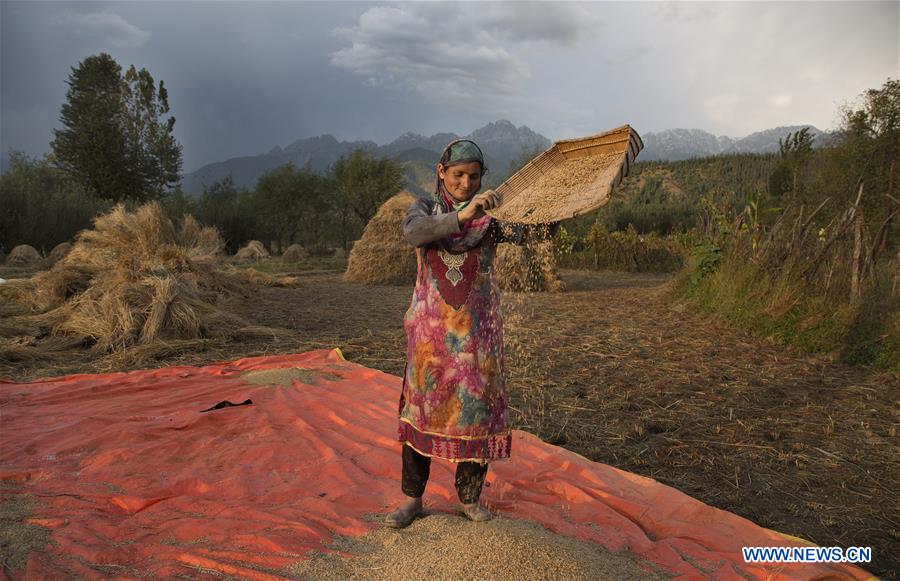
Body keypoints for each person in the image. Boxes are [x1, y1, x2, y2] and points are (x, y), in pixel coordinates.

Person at [385, 139, 553, 528]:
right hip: (431, 336)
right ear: (441, 172)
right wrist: (464, 215)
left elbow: (532, 232)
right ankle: (412, 500)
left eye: (474, 176)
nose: (465, 182)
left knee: (476, 414)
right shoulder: (425, 210)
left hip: (477, 337)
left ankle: (470, 500)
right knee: (422, 415)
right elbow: (415, 233)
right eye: (458, 174)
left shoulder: (492, 218)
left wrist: (556, 208)